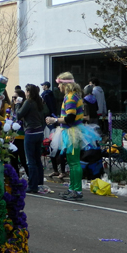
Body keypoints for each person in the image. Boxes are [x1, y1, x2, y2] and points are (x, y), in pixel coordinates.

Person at [46, 72, 99, 201]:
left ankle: (76, 190)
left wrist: (54, 120)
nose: (58, 87)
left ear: (65, 85)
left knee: (74, 163)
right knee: (72, 162)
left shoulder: (70, 97)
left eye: (59, 84)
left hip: (71, 132)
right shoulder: (74, 96)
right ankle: (73, 189)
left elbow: (70, 118)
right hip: (71, 131)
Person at [18, 84, 48, 194]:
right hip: (39, 132)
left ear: (29, 92)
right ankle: (39, 183)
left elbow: (19, 114)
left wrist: (17, 105)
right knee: (37, 159)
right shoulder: (39, 102)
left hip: (30, 132)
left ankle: (32, 186)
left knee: (30, 161)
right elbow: (43, 119)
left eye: (26, 91)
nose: (25, 93)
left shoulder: (29, 102)